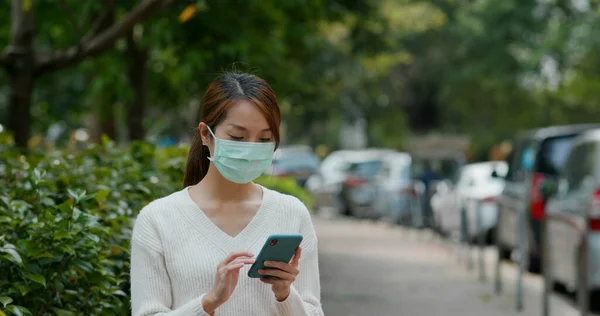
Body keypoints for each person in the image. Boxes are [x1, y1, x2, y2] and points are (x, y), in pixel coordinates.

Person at [130, 72, 324, 316]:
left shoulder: (292, 214)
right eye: (237, 137)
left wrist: (285, 294)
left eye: (264, 138)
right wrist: (208, 302)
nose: (251, 148)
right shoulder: (158, 220)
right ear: (204, 134)